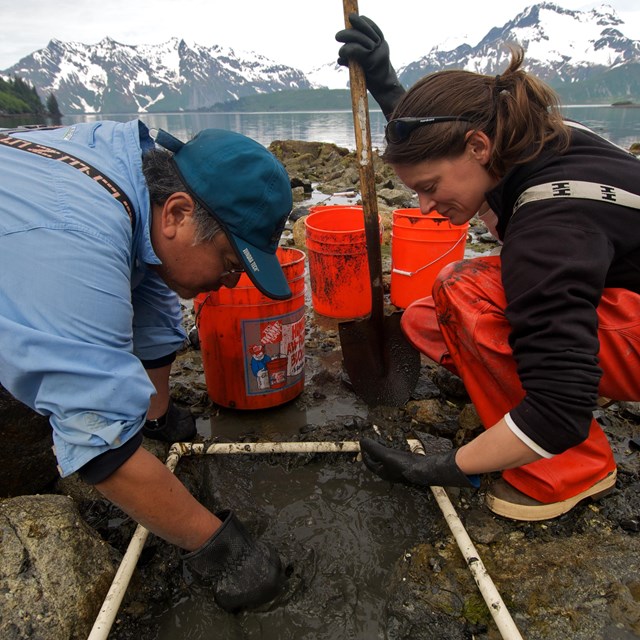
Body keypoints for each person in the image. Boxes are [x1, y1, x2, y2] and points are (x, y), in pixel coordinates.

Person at [337, 15, 640, 521]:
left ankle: (574, 468)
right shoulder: (532, 137)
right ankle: (555, 381)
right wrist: (386, 83)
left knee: (463, 289)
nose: (426, 206)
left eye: (429, 188)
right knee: (424, 318)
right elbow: (446, 149)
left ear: (479, 146)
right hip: (621, 287)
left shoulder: (549, 227)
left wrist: (446, 466)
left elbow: (558, 414)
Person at [0, 121, 293, 610]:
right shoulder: (76, 237)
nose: (228, 282)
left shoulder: (139, 179)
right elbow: (101, 445)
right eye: (229, 264)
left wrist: (157, 421)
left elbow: (154, 295)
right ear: (178, 212)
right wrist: (226, 554)